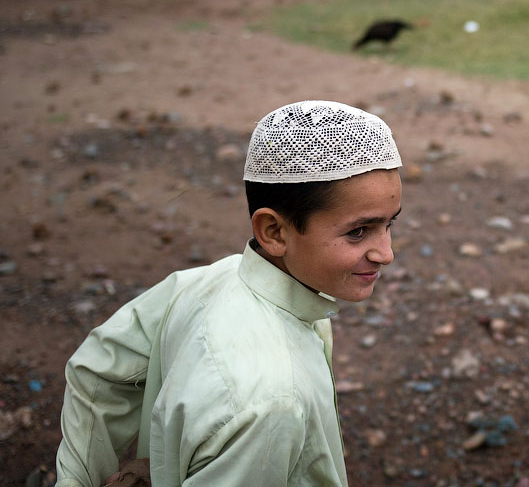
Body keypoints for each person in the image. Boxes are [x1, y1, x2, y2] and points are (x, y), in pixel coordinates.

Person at [55, 100, 404, 487]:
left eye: (389, 224)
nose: (386, 253)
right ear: (273, 232)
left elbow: (98, 372)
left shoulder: (206, 281)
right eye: (358, 232)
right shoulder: (271, 403)